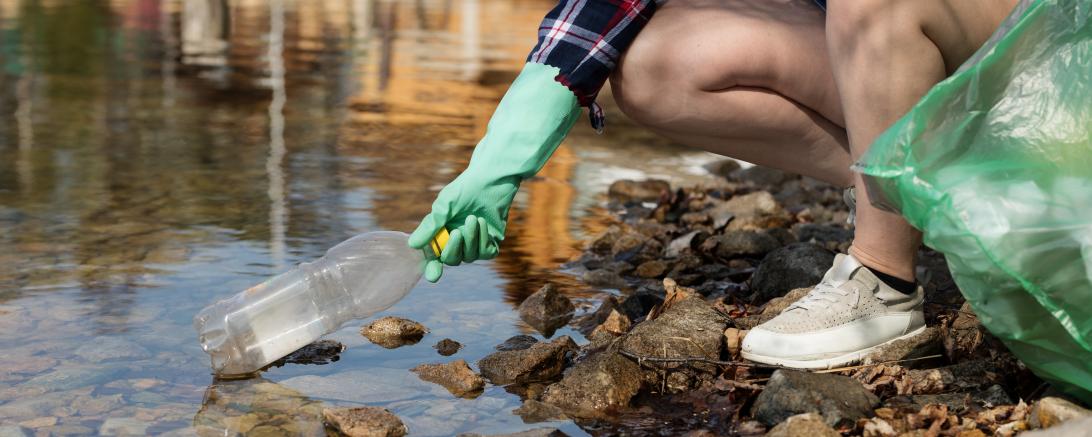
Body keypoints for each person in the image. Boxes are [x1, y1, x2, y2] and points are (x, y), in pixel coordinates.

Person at [408, 0, 1020, 369]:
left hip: (1029, 49)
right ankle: (941, 194)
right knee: (657, 64)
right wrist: (503, 155)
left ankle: (884, 277)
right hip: (893, 49)